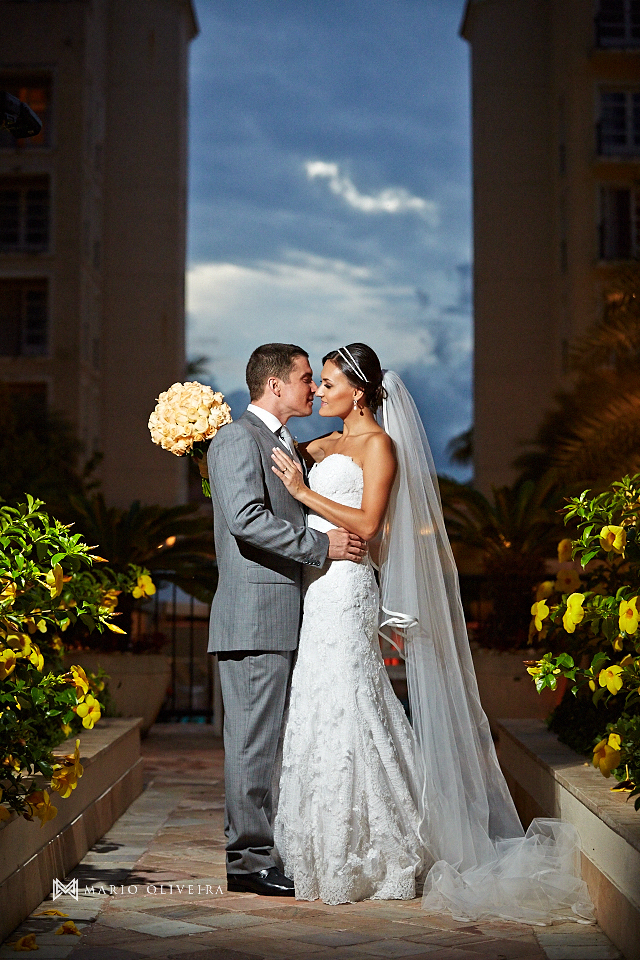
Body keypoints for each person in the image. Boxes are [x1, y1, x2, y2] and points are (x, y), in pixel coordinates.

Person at [271, 342, 595, 924]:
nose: (319, 391)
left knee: (354, 703)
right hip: (315, 590)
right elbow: (275, 447)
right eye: (315, 382)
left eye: (327, 382)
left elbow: (370, 524)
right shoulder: (323, 443)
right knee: (318, 702)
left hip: (347, 588)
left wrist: (302, 492)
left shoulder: (378, 446)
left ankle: (383, 850)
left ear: (359, 390)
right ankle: (322, 849)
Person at [207, 342, 366, 897]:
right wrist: (323, 546)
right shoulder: (234, 439)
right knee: (252, 745)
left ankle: (265, 852)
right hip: (253, 618)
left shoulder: (282, 444)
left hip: (285, 616)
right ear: (275, 385)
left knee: (271, 743)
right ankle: (248, 863)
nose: (313, 388)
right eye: (305, 378)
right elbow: (246, 519)